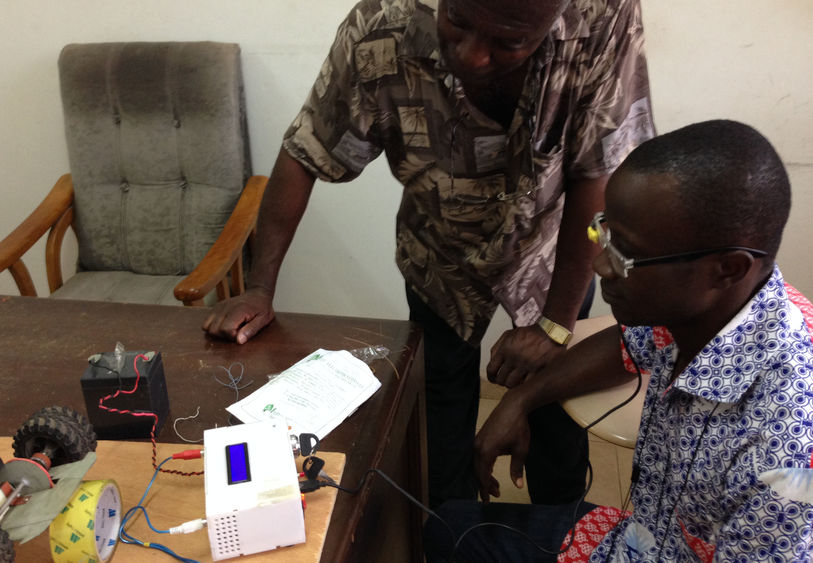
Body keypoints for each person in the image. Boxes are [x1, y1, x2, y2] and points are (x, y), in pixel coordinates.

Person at [203, 0, 655, 507]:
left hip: (557, 255)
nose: (473, 57)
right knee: (440, 422)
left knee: (558, 425)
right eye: (457, 23)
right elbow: (306, 149)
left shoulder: (604, 14)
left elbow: (598, 171)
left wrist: (555, 324)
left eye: (509, 42)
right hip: (438, 260)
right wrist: (261, 286)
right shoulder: (381, 24)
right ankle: (452, 529)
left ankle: (562, 532)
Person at [423, 119, 813, 562]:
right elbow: (626, 346)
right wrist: (522, 399)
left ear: (728, 268)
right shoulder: (712, 309)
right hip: (641, 539)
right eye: (604, 232)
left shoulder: (788, 449)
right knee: (447, 529)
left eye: (626, 254)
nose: (602, 266)